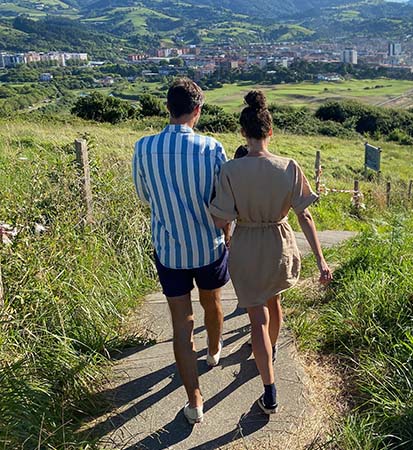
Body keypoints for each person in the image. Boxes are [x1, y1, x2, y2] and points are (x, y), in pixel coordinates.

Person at [209, 90, 332, 415]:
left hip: (247, 245)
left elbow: (221, 217)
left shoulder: (230, 171)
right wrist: (321, 260)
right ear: (270, 132)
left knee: (257, 319)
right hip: (280, 242)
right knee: (274, 303)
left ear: (243, 133)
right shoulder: (289, 167)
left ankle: (270, 391)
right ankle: (270, 353)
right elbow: (305, 214)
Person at [132, 78, 230, 425]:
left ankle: (195, 400)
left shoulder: (143, 148)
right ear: (198, 111)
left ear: (168, 108)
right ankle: (215, 352)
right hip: (208, 246)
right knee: (213, 302)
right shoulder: (212, 148)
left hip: (169, 249)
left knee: (181, 323)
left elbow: (145, 197)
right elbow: (223, 201)